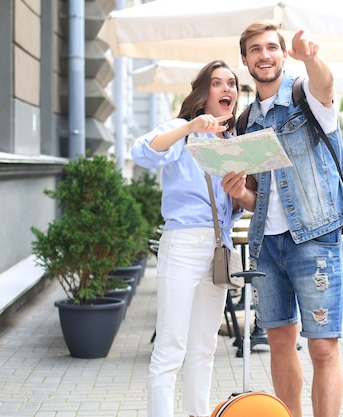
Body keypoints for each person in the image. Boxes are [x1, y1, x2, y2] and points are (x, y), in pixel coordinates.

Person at [221, 21, 343, 417]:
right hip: (267, 245)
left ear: (283, 54)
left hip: (315, 239)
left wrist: (311, 56)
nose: (264, 55)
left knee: (322, 345)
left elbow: (326, 84)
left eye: (271, 48)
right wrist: (239, 193)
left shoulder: (305, 97)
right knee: (280, 343)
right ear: (244, 59)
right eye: (255, 50)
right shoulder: (246, 121)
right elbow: (257, 200)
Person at [131, 60, 244, 417]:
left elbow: (237, 207)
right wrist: (190, 126)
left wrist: (238, 191)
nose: (226, 89)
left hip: (218, 247)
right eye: (217, 83)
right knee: (170, 347)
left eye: (232, 83)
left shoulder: (233, 141)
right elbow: (143, 152)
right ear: (203, 92)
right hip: (182, 244)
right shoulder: (183, 130)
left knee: (204, 347)